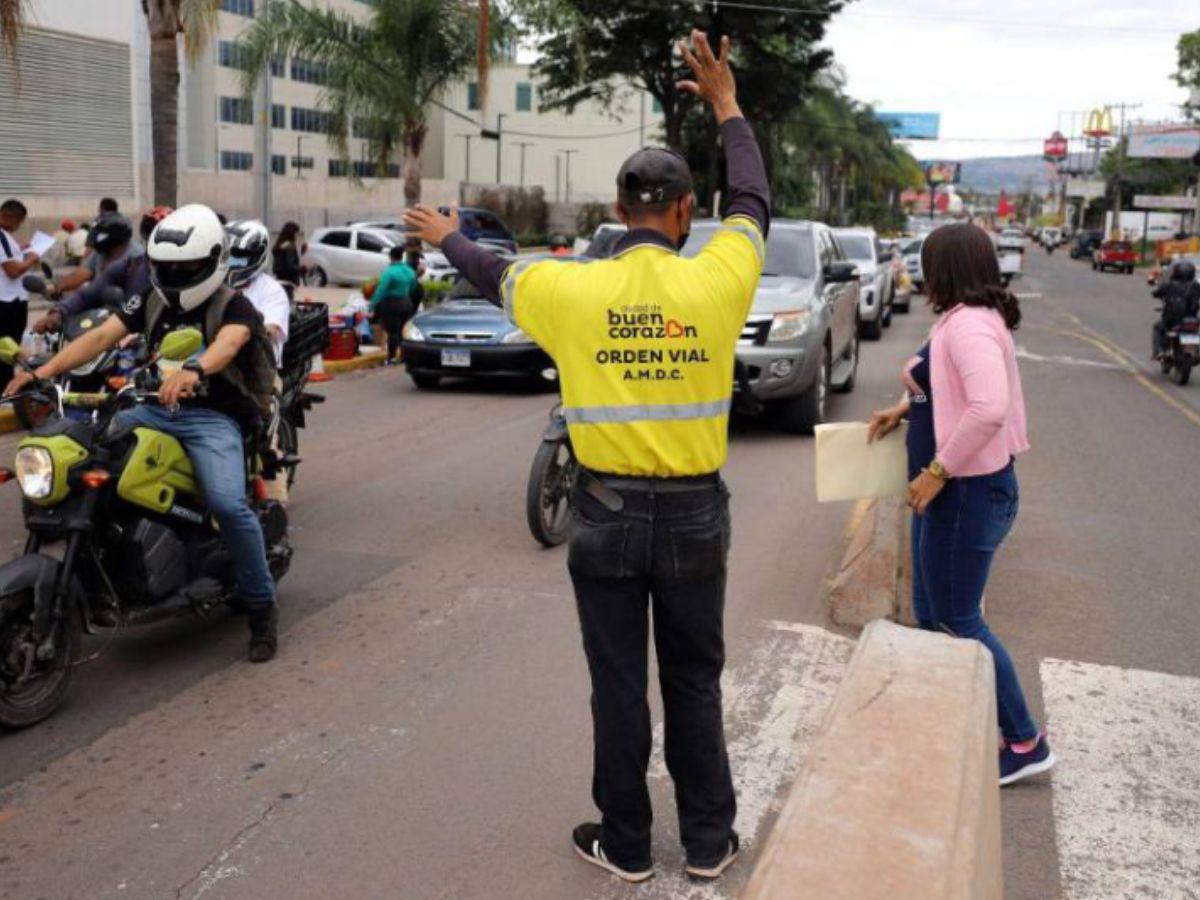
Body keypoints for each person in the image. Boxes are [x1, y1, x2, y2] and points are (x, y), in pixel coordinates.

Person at [405, 29, 767, 883]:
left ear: (618, 208)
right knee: (695, 682)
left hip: (603, 514)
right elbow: (753, 201)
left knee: (617, 685)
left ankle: (628, 845)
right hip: (694, 515)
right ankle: (708, 843)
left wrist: (447, 235)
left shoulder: (570, 287)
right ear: (685, 212)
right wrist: (727, 106)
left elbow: (493, 272)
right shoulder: (720, 277)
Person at [4, 204, 282, 663]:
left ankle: (261, 607)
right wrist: (43, 371)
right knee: (88, 459)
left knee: (228, 506)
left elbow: (228, 343)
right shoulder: (152, 299)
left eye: (186, 268)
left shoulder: (233, 304)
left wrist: (195, 370)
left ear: (214, 260)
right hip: (153, 409)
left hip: (213, 417)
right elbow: (101, 336)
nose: (175, 275)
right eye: (166, 267)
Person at [868, 223, 1054, 787]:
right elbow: (945, 387)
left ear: (943, 269)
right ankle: (951, 722)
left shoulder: (970, 325)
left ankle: (1024, 741)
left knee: (958, 618)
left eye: (927, 263)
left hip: (966, 490)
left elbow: (988, 407)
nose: (921, 273)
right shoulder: (963, 317)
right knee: (933, 613)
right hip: (956, 491)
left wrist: (937, 470)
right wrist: (905, 408)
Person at [227, 220, 290, 367]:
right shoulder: (216, 285)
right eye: (228, 254)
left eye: (240, 255)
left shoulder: (271, 290)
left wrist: (231, 337)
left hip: (259, 367)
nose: (233, 260)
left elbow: (271, 329)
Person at [0, 199, 39, 387]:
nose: (19, 226)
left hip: (9, 300)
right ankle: (5, 389)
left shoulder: (5, 237)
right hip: (8, 303)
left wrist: (21, 250)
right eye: (19, 222)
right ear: (11, 217)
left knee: (7, 351)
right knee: (8, 351)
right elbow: (13, 270)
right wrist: (31, 259)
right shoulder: (1, 237)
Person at [370, 246, 419, 364]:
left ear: (391, 257)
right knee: (404, 331)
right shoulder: (410, 271)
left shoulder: (389, 272)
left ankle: (391, 357)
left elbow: (381, 290)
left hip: (391, 304)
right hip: (406, 303)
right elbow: (414, 287)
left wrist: (372, 304)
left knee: (393, 332)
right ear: (401, 257)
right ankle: (404, 356)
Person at [1151, 260, 1199, 360]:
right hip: (1191, 319)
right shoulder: (1195, 286)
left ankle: (1159, 351)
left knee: (1158, 328)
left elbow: (1156, 293)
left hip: (1171, 319)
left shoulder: (1169, 284)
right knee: (1195, 329)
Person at [272, 221, 305, 287]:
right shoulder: (289, 246)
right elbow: (291, 266)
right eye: (296, 233)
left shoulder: (280, 245)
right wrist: (302, 269)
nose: (297, 236)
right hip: (289, 280)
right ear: (291, 233)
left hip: (280, 278)